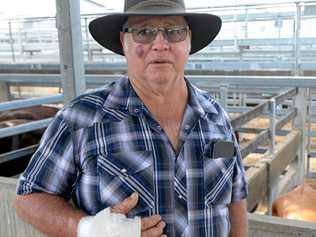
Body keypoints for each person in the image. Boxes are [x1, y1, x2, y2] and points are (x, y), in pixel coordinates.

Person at [15, 0, 248, 236]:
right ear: (123, 42)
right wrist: (86, 228)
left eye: (173, 31)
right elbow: (29, 197)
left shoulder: (216, 117)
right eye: (143, 31)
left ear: (188, 41)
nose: (160, 43)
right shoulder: (81, 119)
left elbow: (235, 198)